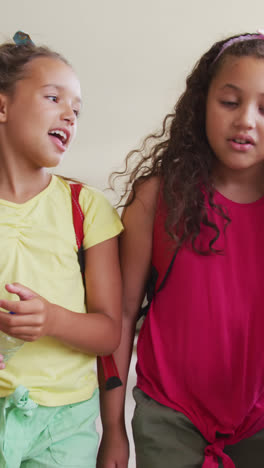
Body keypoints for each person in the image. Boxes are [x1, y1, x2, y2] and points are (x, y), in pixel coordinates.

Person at [97, 31, 264, 468]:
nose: (247, 119)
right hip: (168, 417)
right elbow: (120, 316)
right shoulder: (155, 199)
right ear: (201, 104)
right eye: (230, 102)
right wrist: (113, 430)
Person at [0, 33, 123, 468]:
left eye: (77, 109)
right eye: (54, 98)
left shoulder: (87, 209)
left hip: (64, 426)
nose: (70, 114)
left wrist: (52, 318)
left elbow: (110, 331)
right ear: (2, 107)